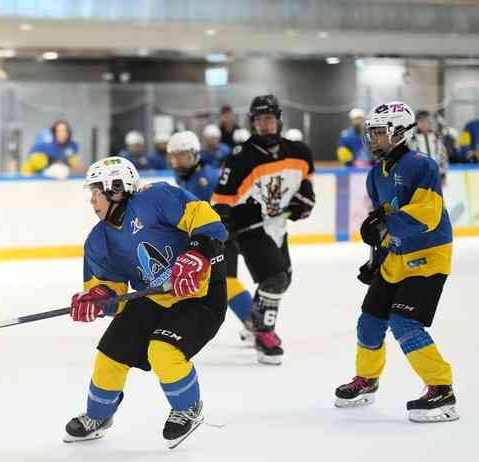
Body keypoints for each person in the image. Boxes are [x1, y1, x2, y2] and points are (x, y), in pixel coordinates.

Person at [63, 156, 227, 448]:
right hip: (154, 297)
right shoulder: (98, 240)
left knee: (163, 350)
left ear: (116, 188)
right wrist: (98, 299)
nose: (92, 200)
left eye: (95, 192)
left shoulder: (157, 198)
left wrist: (198, 254)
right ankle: (98, 416)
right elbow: (112, 294)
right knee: (110, 353)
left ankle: (187, 407)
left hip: (199, 293)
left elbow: (207, 220)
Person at [334, 101, 457, 423]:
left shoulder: (422, 165)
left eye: (378, 132)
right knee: (369, 322)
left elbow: (428, 215)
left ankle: (441, 388)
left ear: (398, 132)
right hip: (397, 257)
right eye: (371, 132)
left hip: (428, 257)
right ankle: (367, 380)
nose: (372, 139)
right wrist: (377, 258)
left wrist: (386, 225)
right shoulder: (376, 174)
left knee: (405, 323)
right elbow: (382, 221)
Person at [212, 94, 316, 365]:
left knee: (282, 279)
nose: (265, 124)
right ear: (253, 123)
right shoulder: (241, 156)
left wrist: (304, 202)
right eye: (260, 119)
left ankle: (254, 321)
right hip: (248, 227)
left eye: (269, 118)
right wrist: (223, 226)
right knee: (275, 279)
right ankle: (264, 334)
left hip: (277, 226)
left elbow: (305, 186)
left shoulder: (299, 151)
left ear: (278, 120)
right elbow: (222, 199)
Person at [169, 131, 255, 343]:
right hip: (212, 236)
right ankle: (256, 323)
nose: (179, 161)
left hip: (223, 235)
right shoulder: (185, 176)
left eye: (184, 156)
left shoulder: (208, 177)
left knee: (227, 282)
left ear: (195, 155)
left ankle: (258, 325)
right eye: (175, 156)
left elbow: (225, 208)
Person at [409, 110, 448, 184]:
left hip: (436, 175)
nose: (424, 124)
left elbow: (443, 156)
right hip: (419, 177)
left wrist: (443, 174)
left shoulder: (436, 137)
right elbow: (411, 159)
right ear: (417, 123)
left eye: (426, 121)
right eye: (421, 121)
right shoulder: (413, 139)